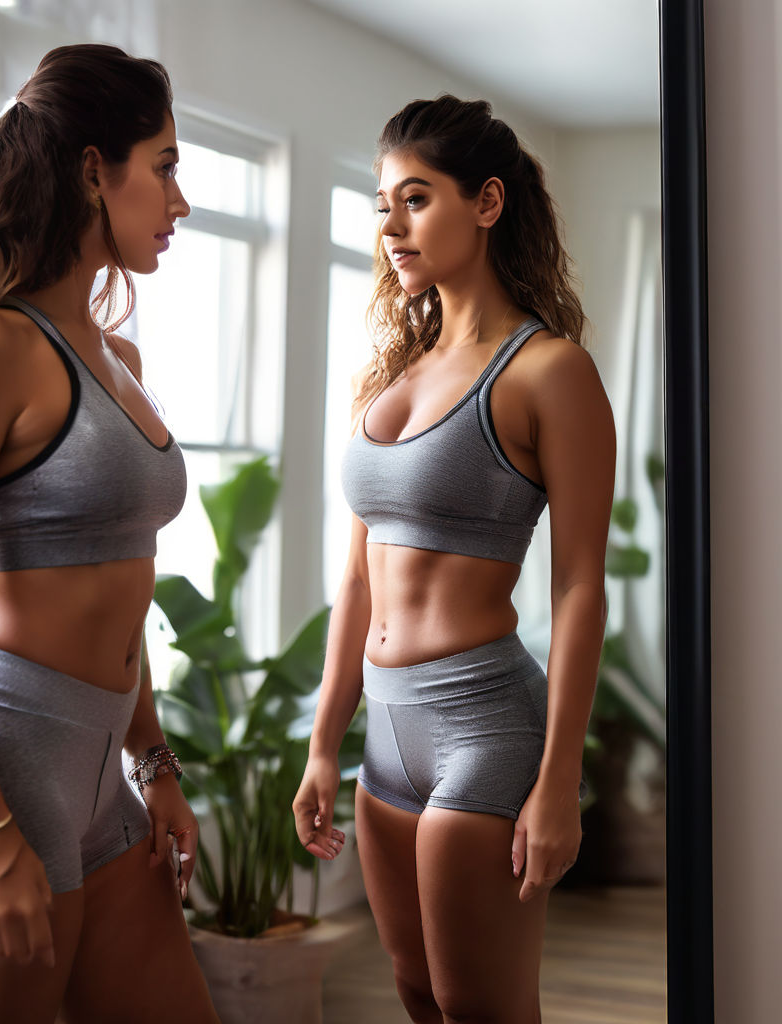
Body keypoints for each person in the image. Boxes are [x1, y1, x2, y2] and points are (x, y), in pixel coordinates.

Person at [0, 44, 219, 1023]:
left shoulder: (118, 355)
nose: (178, 199)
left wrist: (153, 764)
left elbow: (126, 584)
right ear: (89, 171)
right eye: (163, 165)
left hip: (99, 779)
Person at [293, 95, 615, 1023]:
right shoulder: (392, 374)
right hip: (385, 736)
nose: (390, 225)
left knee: (484, 1007)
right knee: (416, 993)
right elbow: (357, 579)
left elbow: (581, 586)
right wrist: (324, 745)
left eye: (416, 198)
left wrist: (558, 783)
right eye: (382, 202)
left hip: (485, 730)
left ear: (487, 203)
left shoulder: (549, 372)